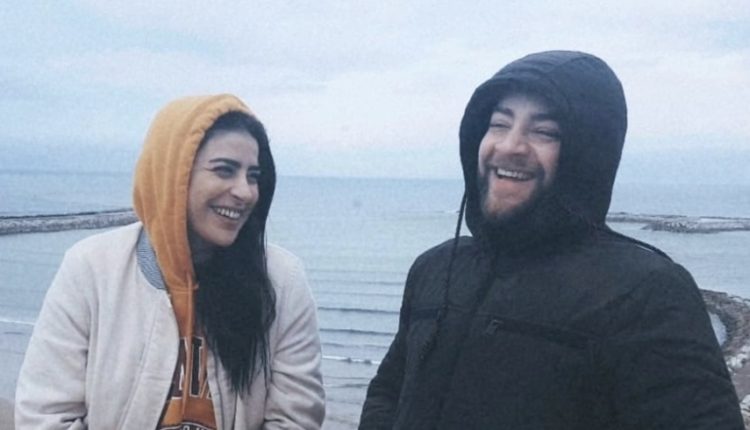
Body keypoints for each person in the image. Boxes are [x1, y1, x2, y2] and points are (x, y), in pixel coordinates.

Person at [359, 51, 743, 429]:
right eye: (499, 124)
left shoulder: (644, 292)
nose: (509, 146)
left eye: (543, 132)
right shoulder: (436, 269)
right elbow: (390, 392)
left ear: (587, 155)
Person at [16, 94, 325, 429]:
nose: (245, 191)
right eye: (224, 170)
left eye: (253, 175)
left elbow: (295, 419)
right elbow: (45, 414)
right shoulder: (92, 269)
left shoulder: (282, 281)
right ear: (172, 173)